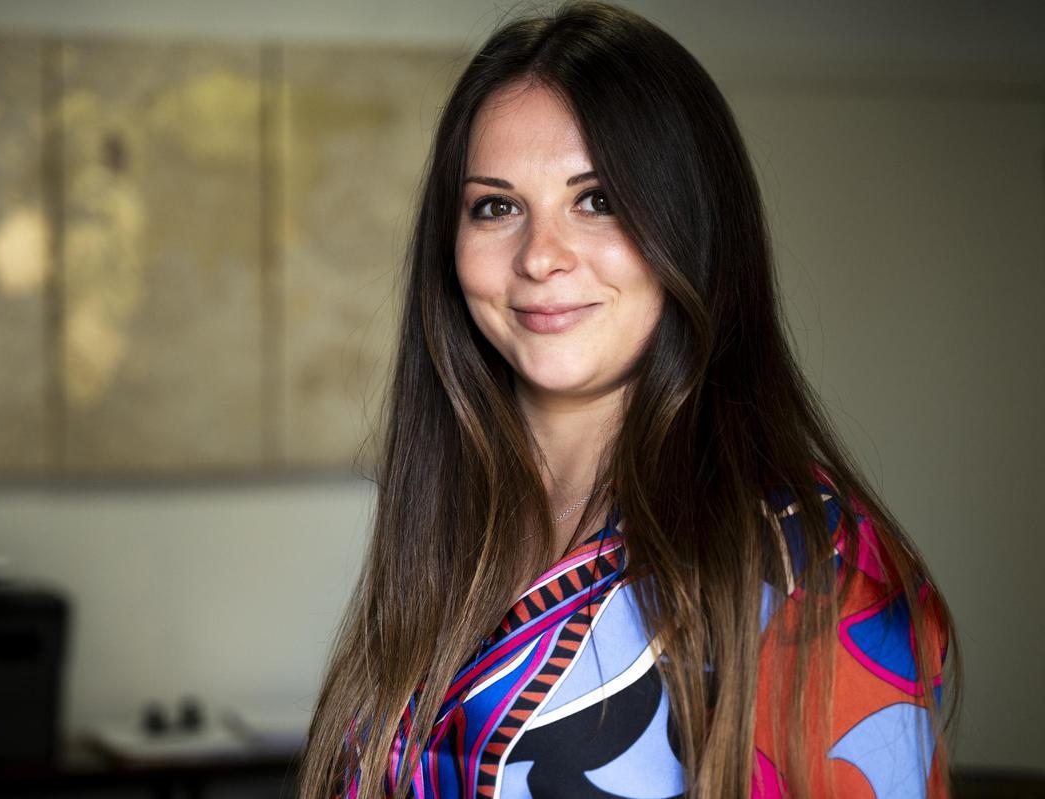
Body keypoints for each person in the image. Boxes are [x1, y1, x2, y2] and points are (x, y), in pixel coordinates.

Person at [298, 2, 959, 797]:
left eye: (598, 199)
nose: (540, 256)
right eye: (497, 206)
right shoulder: (451, 529)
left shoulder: (811, 564)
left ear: (692, 226)